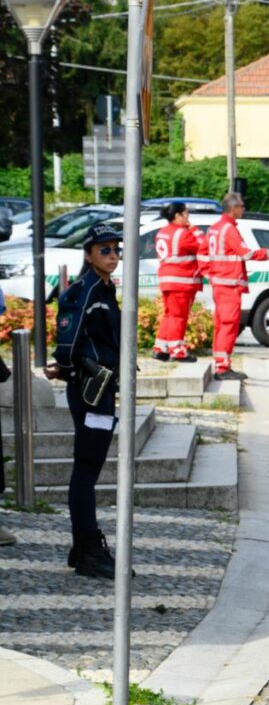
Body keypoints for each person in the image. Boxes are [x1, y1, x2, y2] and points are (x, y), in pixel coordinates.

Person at [48, 228, 125, 579]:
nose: (113, 254)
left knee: (88, 469)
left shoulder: (104, 287)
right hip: (90, 391)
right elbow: (68, 341)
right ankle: (88, 548)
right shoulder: (86, 290)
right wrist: (66, 369)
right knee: (86, 469)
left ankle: (83, 547)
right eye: (104, 249)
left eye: (116, 249)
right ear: (88, 254)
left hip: (101, 388)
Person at [201, 195, 269, 378]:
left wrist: (209, 273)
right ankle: (222, 368)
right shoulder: (228, 229)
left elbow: (203, 253)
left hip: (220, 283)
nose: (243, 209)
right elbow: (246, 253)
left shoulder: (215, 228)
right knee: (229, 325)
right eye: (242, 206)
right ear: (233, 208)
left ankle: (221, 362)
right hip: (229, 284)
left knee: (222, 325)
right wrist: (268, 253)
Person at [150, 202, 206, 360]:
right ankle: (177, 350)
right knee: (178, 316)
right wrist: (194, 229)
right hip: (182, 281)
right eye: (186, 214)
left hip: (167, 279)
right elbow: (204, 245)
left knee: (169, 315)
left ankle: (161, 347)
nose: (188, 217)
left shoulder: (162, 232)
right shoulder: (183, 233)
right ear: (177, 216)